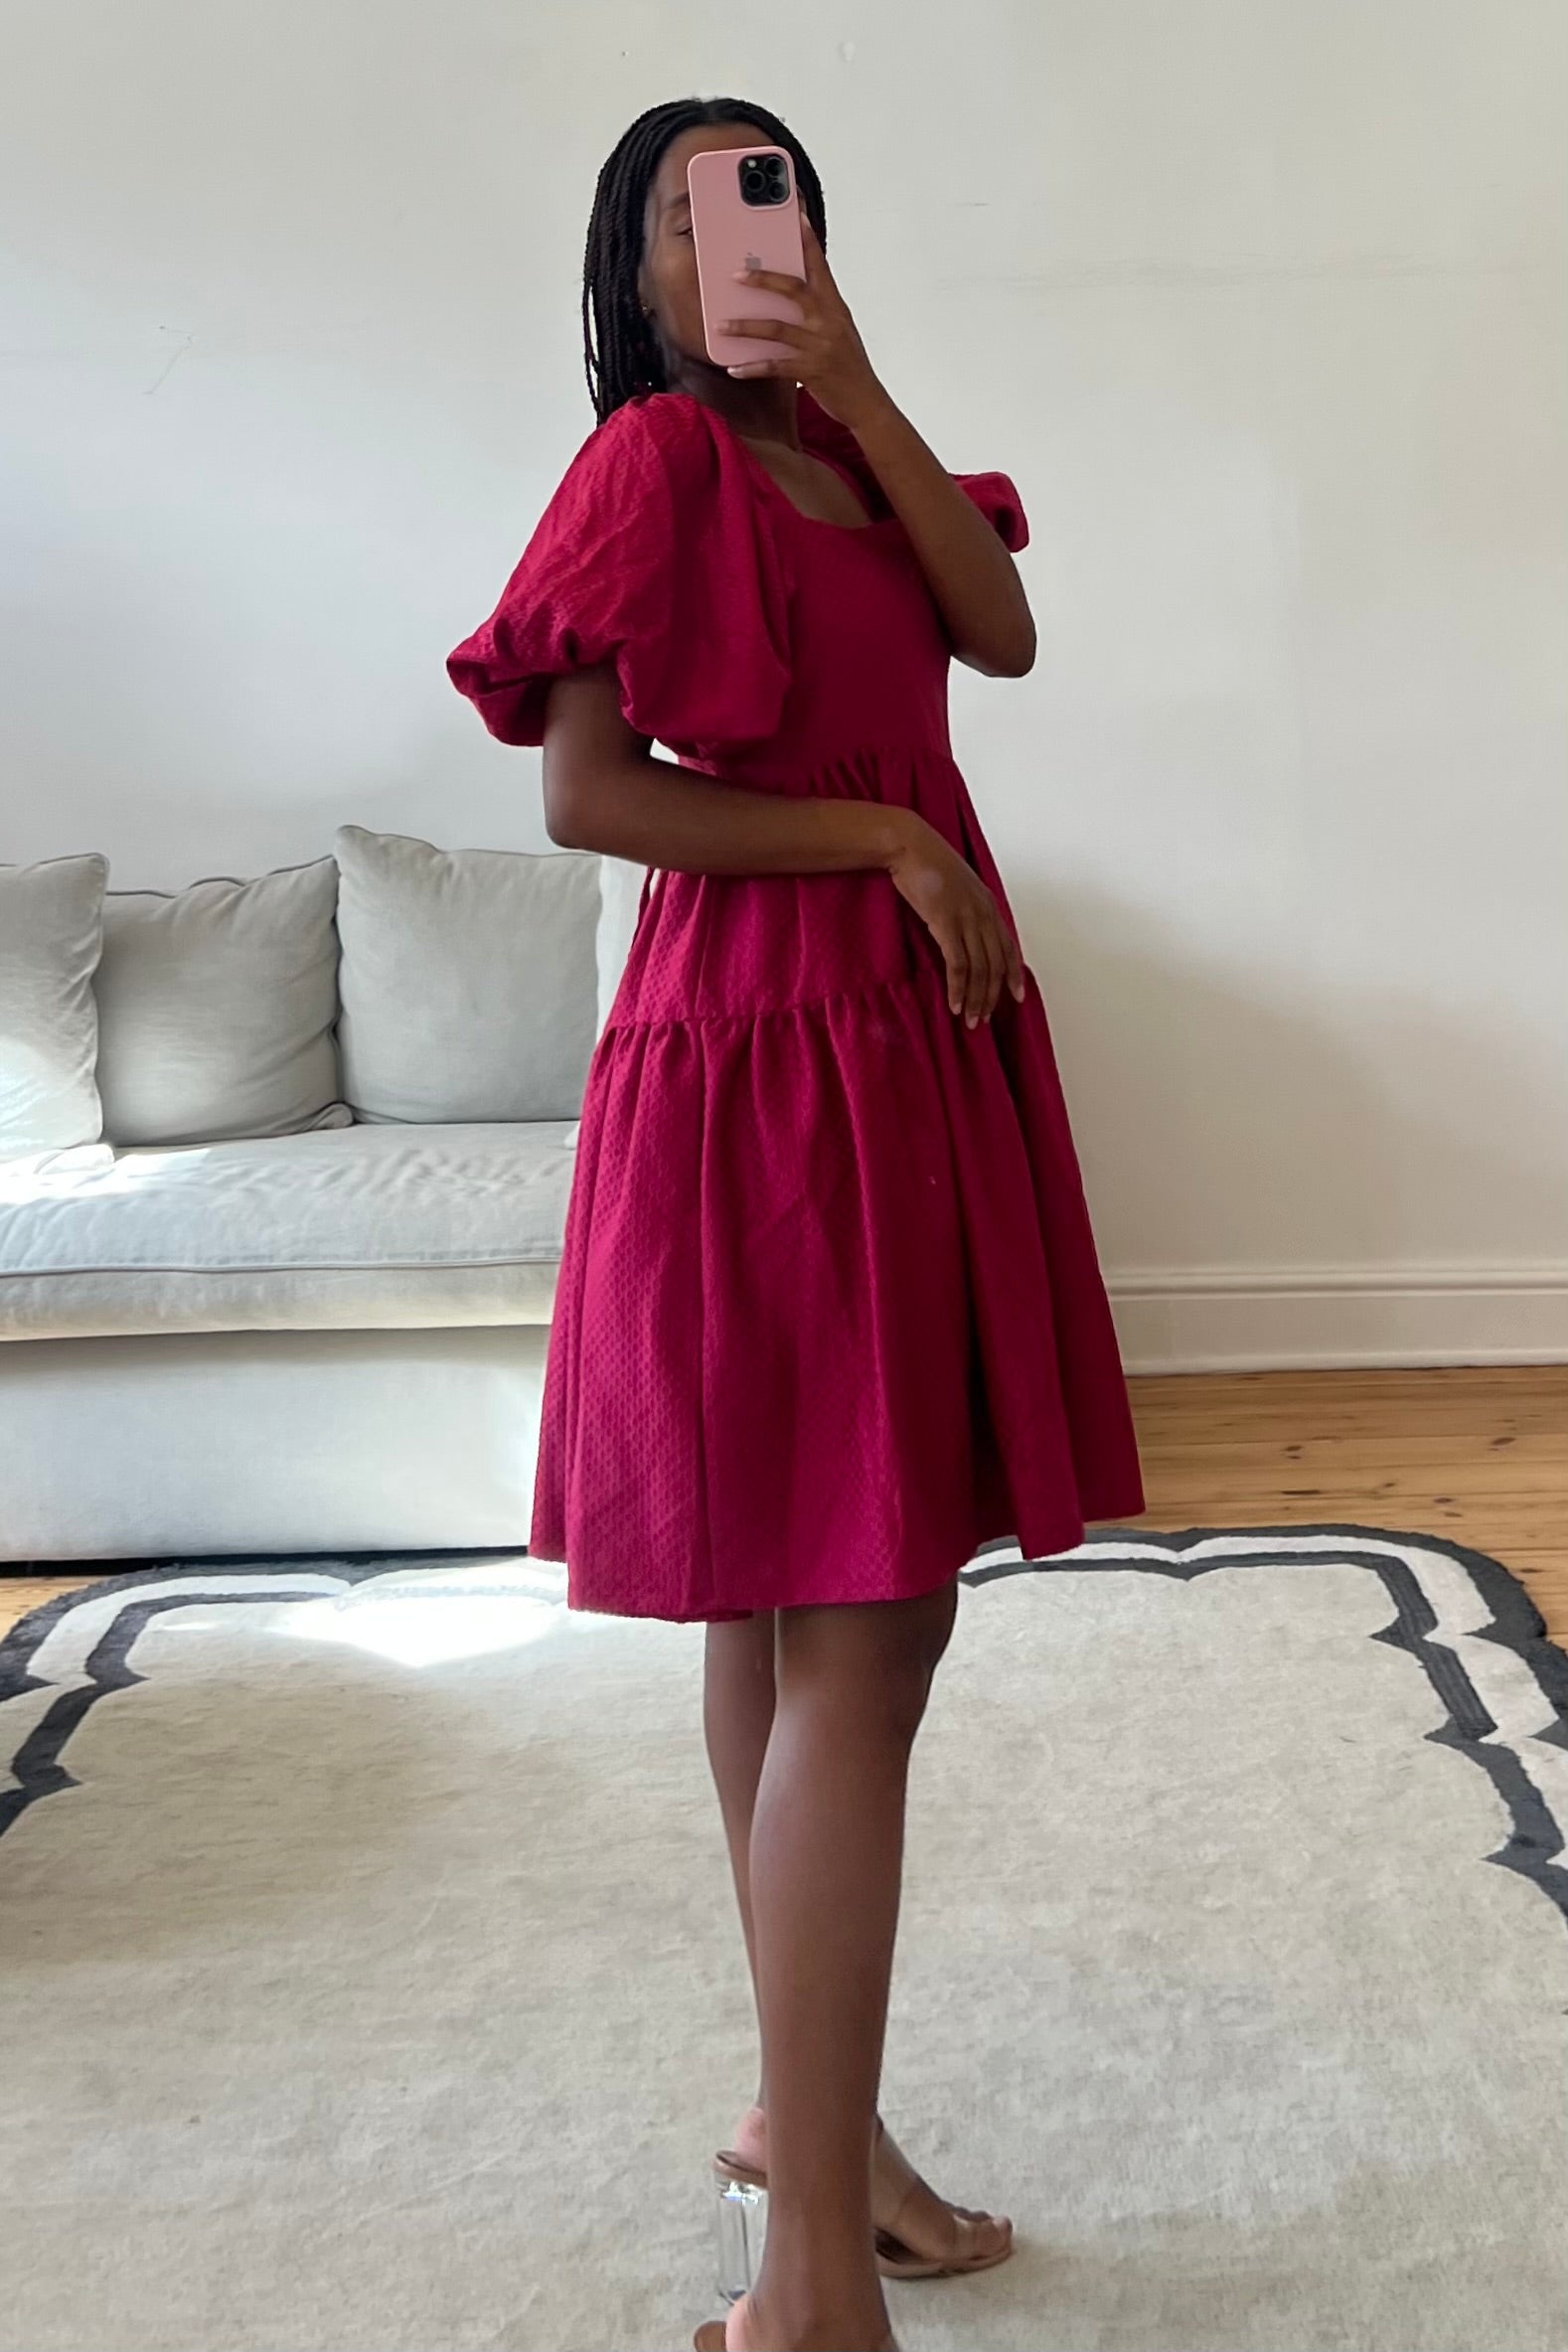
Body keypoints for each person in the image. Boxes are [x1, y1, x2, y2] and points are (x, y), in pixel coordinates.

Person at [446, 93, 1146, 2352]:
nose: (726, 243)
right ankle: (814, 2278)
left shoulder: (852, 448)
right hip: (758, 1060)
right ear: (630, 273)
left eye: (763, 199)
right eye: (681, 214)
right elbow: (584, 790)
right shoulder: (650, 464)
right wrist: (886, 849)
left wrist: (855, 378)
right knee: (862, 1617)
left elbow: (1001, 631)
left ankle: (810, 2139)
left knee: (800, 1613)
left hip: (899, 1051)